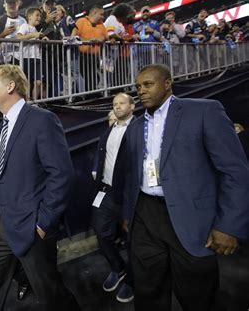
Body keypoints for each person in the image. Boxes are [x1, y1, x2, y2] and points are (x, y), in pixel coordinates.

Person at [123, 64, 249, 310]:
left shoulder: (204, 111)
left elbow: (235, 171)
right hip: (146, 215)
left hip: (191, 218)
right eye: (138, 86)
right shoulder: (136, 127)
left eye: (148, 84)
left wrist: (229, 225)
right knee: (148, 290)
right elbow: (131, 175)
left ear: (168, 83)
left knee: (197, 295)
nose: (141, 91)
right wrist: (129, 214)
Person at [0, 65, 79, 311]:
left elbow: (62, 175)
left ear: (10, 86)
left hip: (31, 226)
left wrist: (43, 223)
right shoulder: (1, 127)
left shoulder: (42, 120)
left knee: (50, 294)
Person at [92, 93, 135, 303]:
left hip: (130, 194)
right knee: (101, 232)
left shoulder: (139, 129)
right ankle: (118, 269)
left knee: (132, 240)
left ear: (132, 106)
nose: (117, 107)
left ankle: (132, 281)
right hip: (106, 192)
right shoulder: (108, 131)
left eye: (121, 103)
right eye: (114, 104)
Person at [17, 7, 47, 100]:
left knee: (38, 82)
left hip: (37, 58)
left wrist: (43, 40)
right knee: (27, 82)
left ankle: (34, 102)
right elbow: (19, 37)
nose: (39, 18)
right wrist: (33, 35)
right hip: (27, 58)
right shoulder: (24, 26)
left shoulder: (36, 29)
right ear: (29, 16)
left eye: (40, 16)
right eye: (37, 15)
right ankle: (27, 102)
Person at [0, 0, 27, 65]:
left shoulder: (24, 19)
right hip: (7, 59)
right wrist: (4, 34)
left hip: (24, 57)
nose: (11, 5)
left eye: (13, 2)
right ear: (4, 5)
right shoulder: (1, 21)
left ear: (18, 3)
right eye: (9, 3)